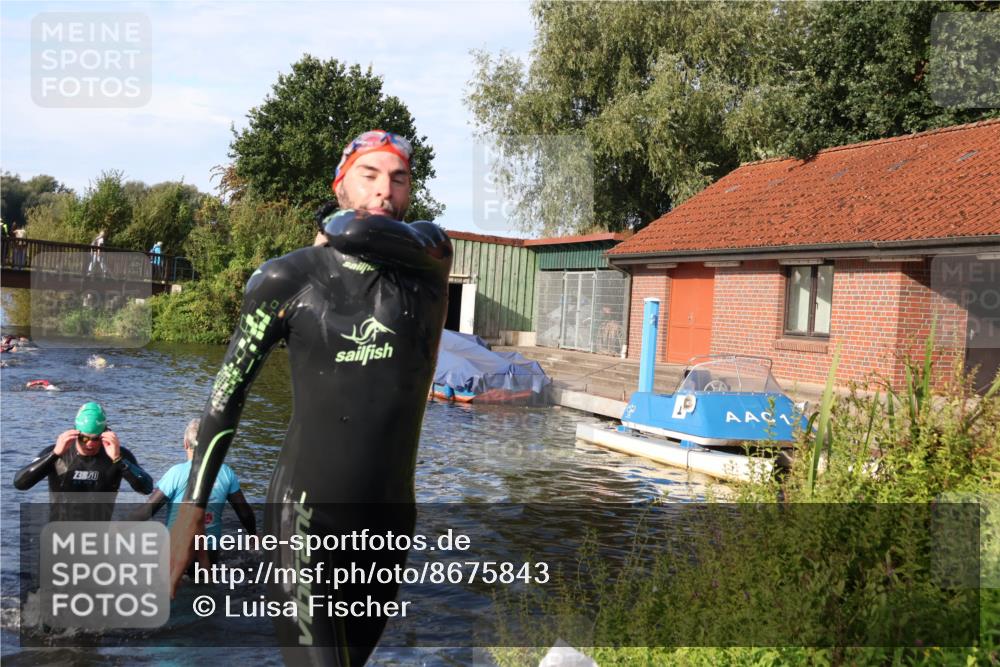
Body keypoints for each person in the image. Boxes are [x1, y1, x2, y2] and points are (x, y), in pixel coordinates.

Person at [169, 129, 452, 665]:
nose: (384, 191)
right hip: (304, 522)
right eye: (368, 176)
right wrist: (189, 514)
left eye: (398, 179)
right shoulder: (286, 278)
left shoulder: (428, 265)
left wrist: (334, 224)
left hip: (388, 526)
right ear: (340, 185)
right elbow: (226, 398)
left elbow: (362, 231)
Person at [132, 418, 256, 565]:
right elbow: (244, 512)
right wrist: (253, 535)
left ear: (185, 444)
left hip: (178, 549)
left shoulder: (175, 473)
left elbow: (147, 510)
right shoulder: (226, 473)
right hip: (211, 552)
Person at [12, 402, 154, 520]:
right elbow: (20, 484)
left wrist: (118, 460)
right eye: (84, 438)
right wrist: (54, 454)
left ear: (106, 434)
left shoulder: (119, 456)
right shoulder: (56, 453)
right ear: (75, 433)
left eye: (96, 438)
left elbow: (146, 488)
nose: (89, 444)